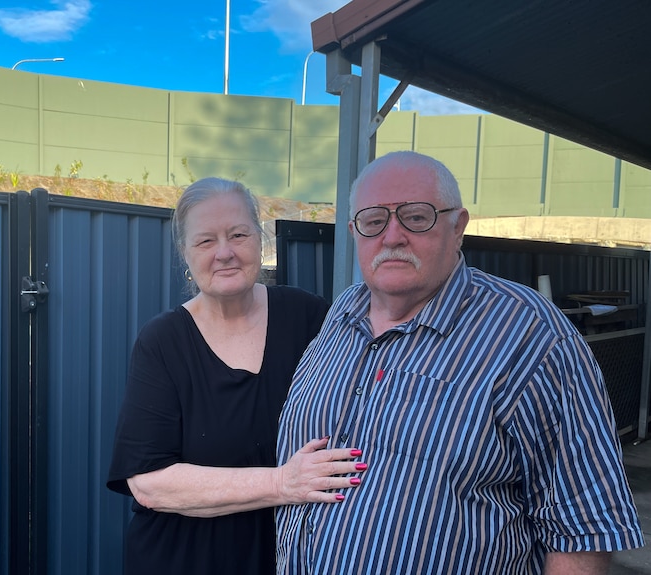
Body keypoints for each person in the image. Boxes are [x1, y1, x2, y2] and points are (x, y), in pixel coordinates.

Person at [275, 151, 644, 574]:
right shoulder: (341, 316)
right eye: (374, 220)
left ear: (458, 227)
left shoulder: (530, 335)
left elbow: (583, 531)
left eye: (416, 217)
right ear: (354, 231)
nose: (392, 236)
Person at [107, 177, 367, 575]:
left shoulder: (308, 316)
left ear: (260, 240)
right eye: (206, 241)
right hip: (183, 560)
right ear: (185, 253)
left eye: (238, 234)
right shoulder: (163, 342)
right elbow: (149, 483)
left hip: (285, 558)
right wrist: (283, 483)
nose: (225, 253)